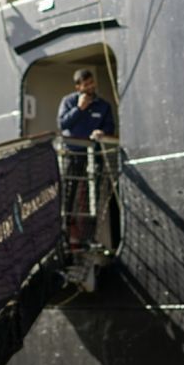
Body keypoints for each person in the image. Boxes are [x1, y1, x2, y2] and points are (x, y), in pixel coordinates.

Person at [57, 68, 116, 248]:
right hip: (73, 155)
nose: (90, 86)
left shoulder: (103, 106)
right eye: (86, 84)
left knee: (92, 197)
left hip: (93, 156)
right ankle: (64, 235)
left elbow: (110, 127)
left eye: (92, 83)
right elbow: (62, 124)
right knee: (68, 195)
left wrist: (102, 132)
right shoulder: (68, 101)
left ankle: (89, 237)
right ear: (78, 87)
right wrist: (79, 109)